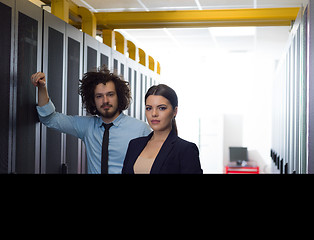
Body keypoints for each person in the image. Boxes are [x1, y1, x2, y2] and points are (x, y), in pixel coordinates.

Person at [31, 66, 151, 174]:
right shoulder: (87, 126)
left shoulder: (141, 130)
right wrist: (42, 88)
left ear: (119, 97)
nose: (105, 101)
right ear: (93, 100)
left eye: (110, 94)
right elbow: (49, 118)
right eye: (99, 96)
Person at [122, 84, 203, 174]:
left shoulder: (186, 149)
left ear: (175, 111)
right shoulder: (134, 145)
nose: (154, 113)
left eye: (161, 108)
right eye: (149, 108)